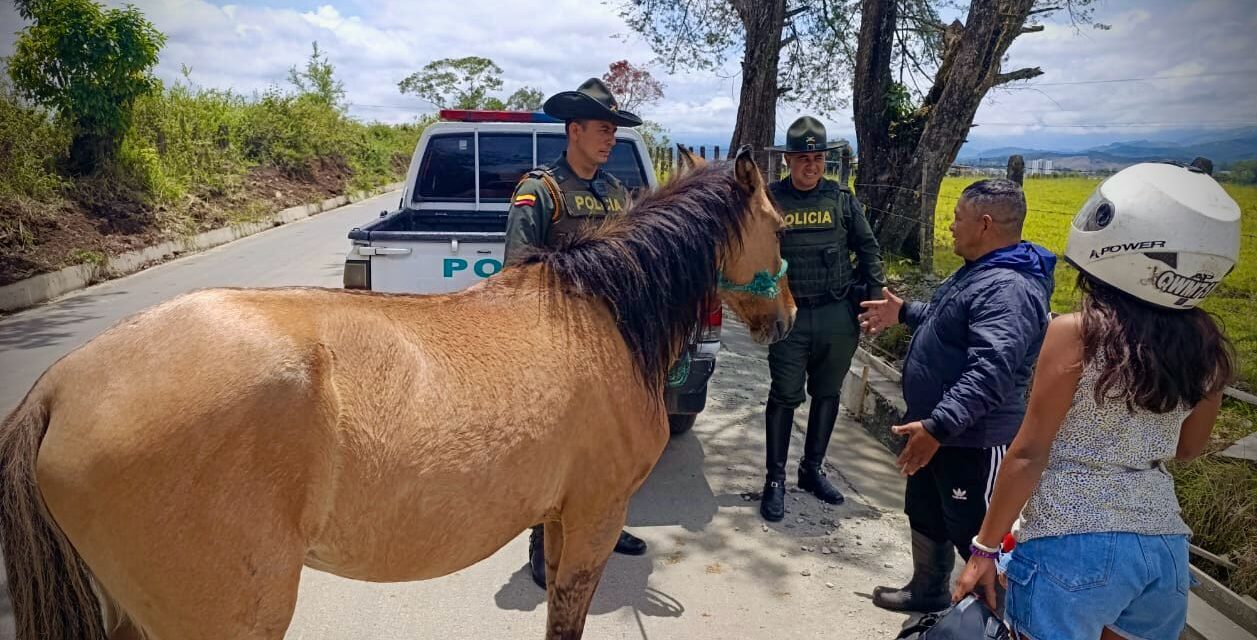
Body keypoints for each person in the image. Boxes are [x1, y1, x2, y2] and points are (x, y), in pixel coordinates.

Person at [952, 162, 1239, 640]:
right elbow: (1187, 449)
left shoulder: (1076, 333)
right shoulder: (1207, 344)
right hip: (1164, 547)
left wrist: (983, 550)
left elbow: (1028, 452)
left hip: (1072, 542)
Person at [858, 179, 1056, 613]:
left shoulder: (1008, 288)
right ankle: (928, 590)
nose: (949, 226)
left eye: (957, 217)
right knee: (926, 509)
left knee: (977, 535)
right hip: (939, 430)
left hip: (972, 439)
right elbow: (950, 322)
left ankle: (994, 618)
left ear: (984, 224)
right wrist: (905, 312)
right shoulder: (980, 271)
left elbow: (991, 370)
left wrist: (939, 426)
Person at [502, 77, 648, 589]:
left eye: (614, 131)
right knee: (558, 452)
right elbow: (518, 273)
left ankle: (606, 524)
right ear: (575, 130)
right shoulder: (540, 191)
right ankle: (544, 543)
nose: (611, 139)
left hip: (614, 346)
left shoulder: (615, 194)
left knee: (613, 447)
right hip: (558, 347)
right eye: (603, 130)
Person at [758, 116, 887, 522]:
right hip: (790, 315)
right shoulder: (770, 201)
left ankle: (812, 470)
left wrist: (876, 297)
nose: (811, 165)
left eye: (817, 158)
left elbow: (868, 249)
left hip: (836, 313)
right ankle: (775, 480)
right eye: (802, 158)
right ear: (789, 161)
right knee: (784, 395)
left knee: (827, 393)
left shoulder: (841, 200)